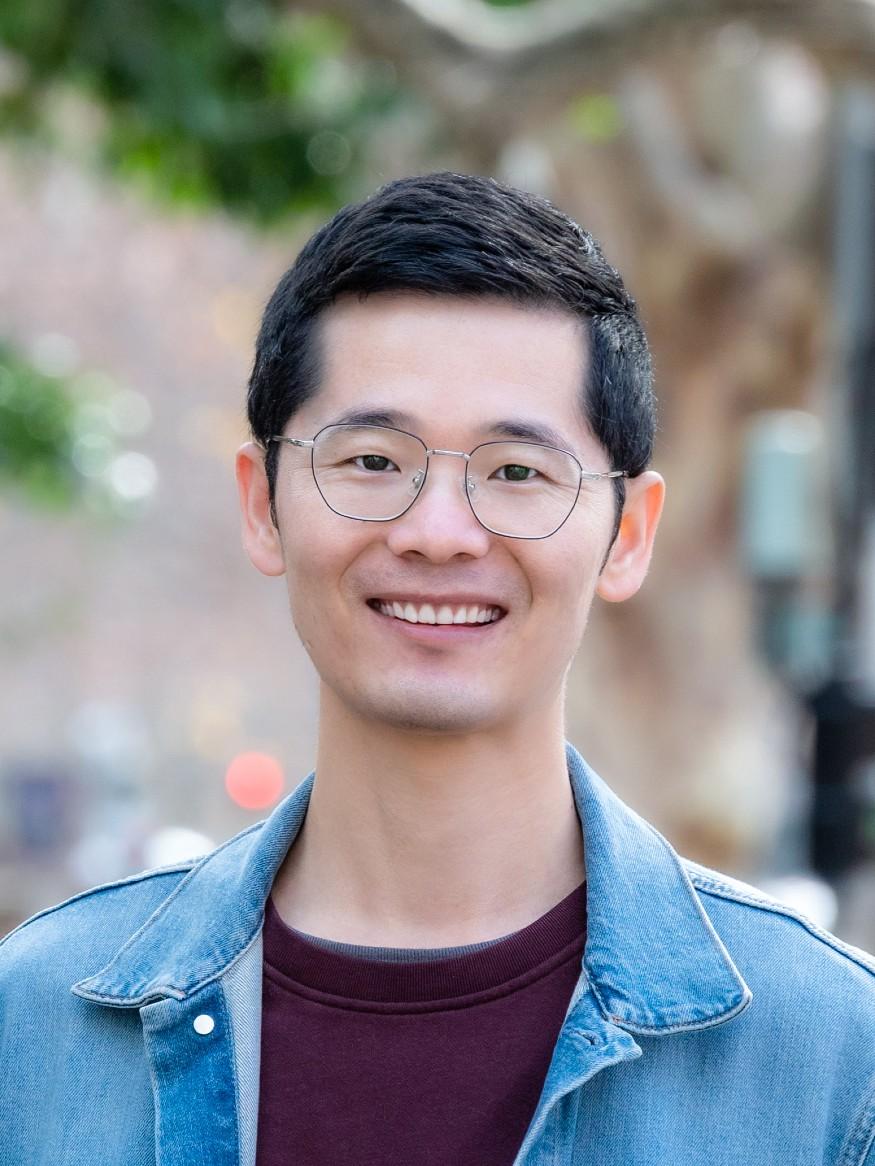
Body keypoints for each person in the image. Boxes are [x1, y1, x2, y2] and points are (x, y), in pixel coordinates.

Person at [1, 172, 873, 1166]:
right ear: (262, 502)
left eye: (515, 472)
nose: (437, 533)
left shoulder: (832, 1064)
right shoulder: (34, 1027)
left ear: (627, 534)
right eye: (372, 460)